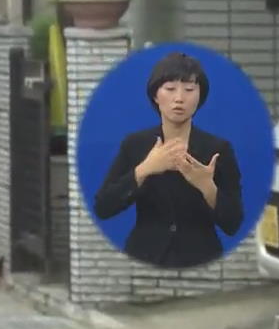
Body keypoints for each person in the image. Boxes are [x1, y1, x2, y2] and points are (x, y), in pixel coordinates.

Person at [93, 52, 244, 269]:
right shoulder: (135, 144)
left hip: (201, 259)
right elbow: (103, 207)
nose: (179, 98)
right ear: (155, 95)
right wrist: (144, 169)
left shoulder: (217, 150)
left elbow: (233, 223)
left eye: (189, 89)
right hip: (144, 256)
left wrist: (207, 187)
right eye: (170, 89)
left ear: (200, 96)